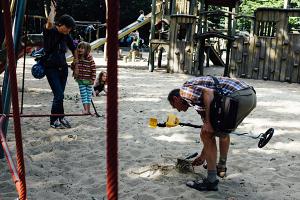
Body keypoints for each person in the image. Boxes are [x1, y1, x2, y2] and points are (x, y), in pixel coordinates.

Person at [167, 76, 256, 191]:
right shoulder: (197, 103)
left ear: (175, 99)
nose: (178, 110)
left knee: (206, 132)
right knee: (221, 132)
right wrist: (203, 155)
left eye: (175, 106)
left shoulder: (184, 91)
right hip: (249, 96)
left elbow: (208, 93)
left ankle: (211, 181)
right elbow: (210, 132)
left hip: (237, 96)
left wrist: (208, 123)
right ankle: (221, 167)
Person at [43, 1, 77, 128]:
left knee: (60, 95)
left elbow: (74, 48)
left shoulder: (66, 35)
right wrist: (52, 11)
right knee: (58, 94)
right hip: (51, 68)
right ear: (61, 24)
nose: (68, 31)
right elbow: (50, 23)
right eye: (67, 28)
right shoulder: (50, 31)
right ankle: (53, 121)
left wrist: (76, 62)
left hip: (63, 69)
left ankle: (61, 117)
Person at [71, 41, 96, 114]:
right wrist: (74, 64)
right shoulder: (77, 58)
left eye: (82, 48)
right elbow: (73, 68)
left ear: (87, 50)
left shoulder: (90, 59)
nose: (80, 49)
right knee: (84, 96)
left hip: (89, 80)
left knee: (88, 96)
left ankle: (87, 110)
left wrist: (93, 79)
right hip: (81, 80)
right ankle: (86, 110)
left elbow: (93, 69)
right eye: (79, 47)